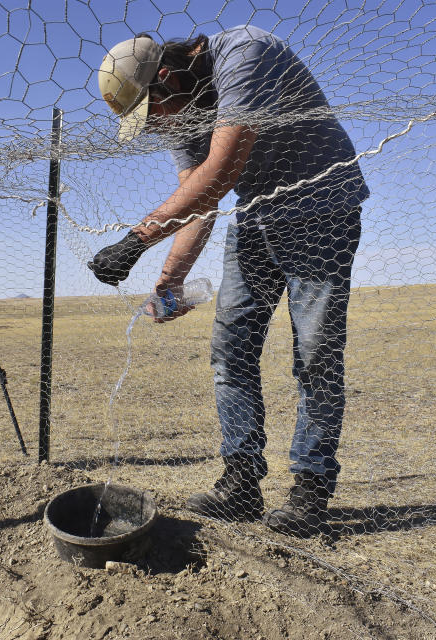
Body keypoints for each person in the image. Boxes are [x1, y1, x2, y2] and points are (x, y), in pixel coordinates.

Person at [88, 26, 369, 536]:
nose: (153, 128)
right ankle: (240, 484)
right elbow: (200, 201)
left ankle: (311, 487)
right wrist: (168, 280)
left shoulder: (246, 52)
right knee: (230, 351)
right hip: (258, 218)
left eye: (151, 113)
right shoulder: (181, 114)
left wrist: (135, 240)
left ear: (168, 79)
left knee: (315, 352)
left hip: (322, 207)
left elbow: (221, 169)